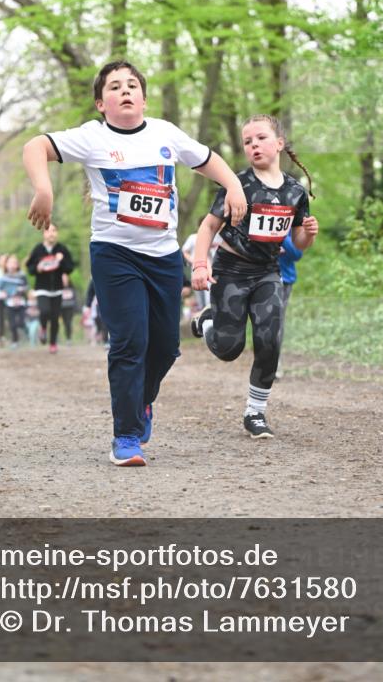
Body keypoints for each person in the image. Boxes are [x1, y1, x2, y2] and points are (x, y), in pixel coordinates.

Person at [23, 59, 247, 467]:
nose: (124, 91)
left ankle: (142, 402)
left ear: (143, 98)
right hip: (114, 254)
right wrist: (43, 188)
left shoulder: (165, 133)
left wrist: (233, 184)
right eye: (114, 87)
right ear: (100, 103)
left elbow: (207, 158)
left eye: (131, 85)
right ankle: (125, 436)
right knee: (129, 342)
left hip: (162, 256)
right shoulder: (91, 138)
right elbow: (34, 146)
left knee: (165, 348)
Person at [190, 114, 319, 439]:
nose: (253, 145)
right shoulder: (238, 184)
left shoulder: (294, 191)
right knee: (228, 348)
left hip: (268, 272)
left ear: (279, 144)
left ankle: (255, 413)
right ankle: (208, 322)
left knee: (270, 340)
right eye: (248, 141)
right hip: (231, 270)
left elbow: (298, 244)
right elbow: (208, 226)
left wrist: (308, 234)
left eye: (260, 138)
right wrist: (200, 265)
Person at [26, 225, 74, 354]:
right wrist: (37, 268)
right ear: (43, 234)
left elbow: (70, 268)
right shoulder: (38, 249)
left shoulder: (62, 249)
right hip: (42, 288)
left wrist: (61, 260)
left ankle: (53, 343)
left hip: (57, 289)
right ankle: (42, 327)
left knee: (54, 317)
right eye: (48, 231)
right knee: (44, 311)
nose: (51, 233)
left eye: (54, 231)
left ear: (57, 233)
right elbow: (29, 267)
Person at [275, 232, 304, 379]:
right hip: (254, 276)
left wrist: (279, 236)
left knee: (276, 322)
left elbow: (297, 253)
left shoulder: (290, 222)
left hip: (284, 280)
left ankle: (274, 362)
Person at [0, 254, 28, 349]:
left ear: (17, 265)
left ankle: (24, 332)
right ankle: (15, 341)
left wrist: (22, 289)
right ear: (6, 265)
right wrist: (1, 294)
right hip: (9, 304)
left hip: (21, 303)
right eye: (10, 263)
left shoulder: (22, 276)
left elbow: (26, 286)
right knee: (12, 324)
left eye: (15, 263)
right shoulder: (4, 277)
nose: (12, 265)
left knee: (21, 322)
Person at [60, 278, 78, 343]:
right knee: (65, 323)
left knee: (68, 322)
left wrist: (76, 308)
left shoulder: (72, 288)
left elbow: (75, 299)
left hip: (70, 308)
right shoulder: (59, 289)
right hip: (62, 308)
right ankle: (67, 337)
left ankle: (69, 338)